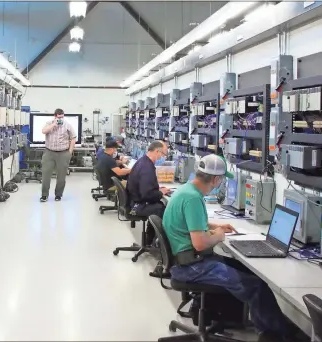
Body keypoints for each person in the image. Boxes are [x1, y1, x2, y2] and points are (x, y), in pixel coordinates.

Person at [162, 154, 296, 342]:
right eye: (222, 179)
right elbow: (199, 243)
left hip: (187, 261)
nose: (222, 182)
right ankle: (278, 336)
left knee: (247, 271)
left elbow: (189, 223)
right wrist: (219, 236)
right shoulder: (193, 199)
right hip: (191, 267)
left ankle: (267, 329)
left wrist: (213, 226)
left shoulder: (187, 191)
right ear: (216, 179)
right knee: (256, 287)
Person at [126, 140, 170, 243]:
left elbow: (144, 188)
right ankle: (159, 243)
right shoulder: (147, 168)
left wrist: (158, 190)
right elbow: (147, 195)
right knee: (165, 210)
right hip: (137, 206)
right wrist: (161, 193)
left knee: (159, 205)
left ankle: (149, 239)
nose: (163, 157)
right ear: (157, 151)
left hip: (134, 202)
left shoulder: (143, 161)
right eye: (163, 154)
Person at [40, 108, 77, 202]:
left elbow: (73, 138)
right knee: (46, 175)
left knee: (61, 176)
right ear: (55, 116)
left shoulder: (68, 124)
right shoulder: (49, 123)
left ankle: (58, 195)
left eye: (62, 117)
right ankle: (44, 195)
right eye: (59, 117)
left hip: (63, 153)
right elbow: (44, 131)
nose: (61, 119)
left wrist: (69, 152)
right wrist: (53, 124)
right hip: (49, 152)